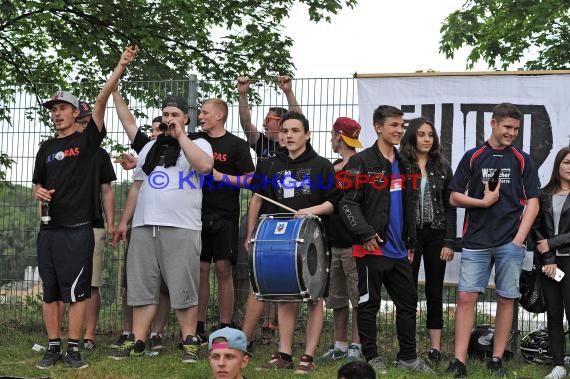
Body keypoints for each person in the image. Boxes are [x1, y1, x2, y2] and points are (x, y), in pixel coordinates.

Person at [33, 46, 138, 370]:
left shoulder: (88, 142)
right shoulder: (46, 148)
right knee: (50, 292)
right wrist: (37, 192)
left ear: (74, 112)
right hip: (49, 230)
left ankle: (74, 349)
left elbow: (103, 99)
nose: (57, 113)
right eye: (53, 110)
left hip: (79, 230)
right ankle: (52, 347)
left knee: (78, 292)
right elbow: (38, 185)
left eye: (62, 108)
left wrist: (119, 67)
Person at [109, 95, 214, 363]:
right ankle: (139, 340)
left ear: (186, 119)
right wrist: (124, 222)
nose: (169, 119)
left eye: (175, 115)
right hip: (145, 226)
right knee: (142, 286)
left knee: (183, 285)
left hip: (182, 226)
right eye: (166, 114)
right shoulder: (149, 149)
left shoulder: (198, 143)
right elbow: (136, 187)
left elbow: (204, 166)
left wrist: (181, 137)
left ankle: (189, 340)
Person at [445, 103, 540, 377]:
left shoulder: (522, 159)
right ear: (493, 123)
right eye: (507, 127)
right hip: (476, 240)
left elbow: (533, 202)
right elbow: (453, 196)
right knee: (465, 297)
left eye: (516, 129)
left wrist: (519, 239)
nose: (512, 133)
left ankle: (496, 359)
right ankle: (459, 361)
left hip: (510, 242)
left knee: (506, 298)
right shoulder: (474, 156)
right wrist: (482, 202)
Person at [339, 105, 433, 375]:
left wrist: (411, 242)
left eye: (402, 126)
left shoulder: (406, 163)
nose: (399, 131)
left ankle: (408, 358)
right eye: (393, 125)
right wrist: (365, 233)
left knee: (409, 303)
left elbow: (411, 204)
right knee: (369, 304)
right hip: (370, 249)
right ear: (378, 127)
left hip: (400, 250)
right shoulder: (362, 161)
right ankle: (371, 357)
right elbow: (347, 203)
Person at [244, 111, 339, 373]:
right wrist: (251, 233)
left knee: (315, 296)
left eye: (295, 131)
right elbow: (257, 199)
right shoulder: (269, 164)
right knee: (286, 293)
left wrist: (312, 210)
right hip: (278, 238)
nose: (289, 135)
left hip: (314, 238)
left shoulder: (321, 165)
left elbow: (333, 202)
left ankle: (307, 356)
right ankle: (284, 353)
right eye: (285, 131)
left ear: (307, 135)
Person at [111, 90, 171, 351]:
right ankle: (129, 332)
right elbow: (128, 122)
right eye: (153, 129)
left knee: (165, 285)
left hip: (172, 225)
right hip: (142, 224)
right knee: (133, 282)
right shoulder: (146, 147)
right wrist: (114, 91)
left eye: (160, 129)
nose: (155, 133)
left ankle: (156, 333)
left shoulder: (184, 149)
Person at [195, 98, 255, 342]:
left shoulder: (237, 145)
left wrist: (220, 176)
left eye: (205, 112)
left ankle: (225, 325)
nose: (200, 116)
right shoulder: (195, 141)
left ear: (219, 116)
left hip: (225, 216)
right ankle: (197, 326)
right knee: (200, 269)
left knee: (223, 269)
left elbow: (251, 180)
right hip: (195, 214)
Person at [399, 117, 456, 364]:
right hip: (409, 236)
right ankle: (408, 348)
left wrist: (449, 241)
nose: (426, 139)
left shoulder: (442, 165)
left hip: (436, 234)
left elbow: (450, 205)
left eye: (430, 135)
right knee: (407, 291)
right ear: (411, 136)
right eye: (421, 134)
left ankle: (434, 349)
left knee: (435, 290)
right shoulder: (400, 164)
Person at [74, 101, 116, 351]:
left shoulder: (100, 154)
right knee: (61, 283)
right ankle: (63, 335)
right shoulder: (57, 149)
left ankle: (89, 336)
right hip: (60, 226)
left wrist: (111, 224)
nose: (85, 126)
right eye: (81, 121)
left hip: (93, 225)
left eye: (89, 121)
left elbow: (107, 190)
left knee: (92, 283)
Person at [321, 117, 363, 362]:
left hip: (354, 243)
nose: (331, 140)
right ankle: (339, 344)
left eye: (332, 135)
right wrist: (333, 170)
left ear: (338, 136)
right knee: (337, 297)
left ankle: (357, 344)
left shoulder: (360, 165)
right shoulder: (333, 166)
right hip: (333, 241)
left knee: (357, 296)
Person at [530, 146, 570, 379]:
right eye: (566, 162)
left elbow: (549, 239)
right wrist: (549, 258)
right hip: (549, 264)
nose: (569, 167)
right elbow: (535, 229)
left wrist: (552, 244)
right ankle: (558, 365)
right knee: (554, 313)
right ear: (558, 165)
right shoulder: (544, 193)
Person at [237, 75, 301, 158]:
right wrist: (242, 94)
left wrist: (288, 92)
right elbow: (246, 123)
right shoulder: (262, 142)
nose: (264, 124)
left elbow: (298, 121)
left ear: (281, 122)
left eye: (268, 119)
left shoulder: (293, 143)